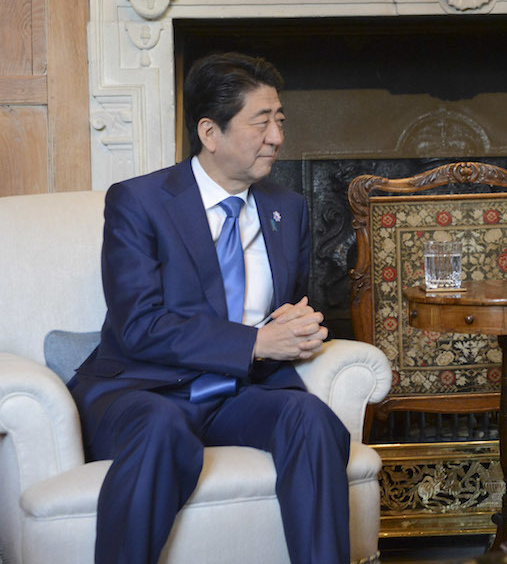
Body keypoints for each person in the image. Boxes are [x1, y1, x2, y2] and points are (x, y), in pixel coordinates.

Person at [68, 53, 351, 564]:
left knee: (311, 418)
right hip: (145, 389)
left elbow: (295, 308)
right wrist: (255, 342)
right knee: (161, 427)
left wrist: (302, 327)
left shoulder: (288, 208)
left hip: (239, 392)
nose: (276, 137)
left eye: (280, 120)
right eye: (261, 122)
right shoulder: (138, 202)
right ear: (209, 132)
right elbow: (139, 325)